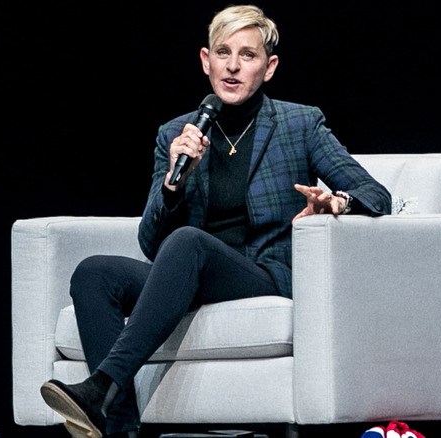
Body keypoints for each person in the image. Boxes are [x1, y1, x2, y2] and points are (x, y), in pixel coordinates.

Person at [40, 5, 391, 438]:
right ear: (206, 61)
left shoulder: (300, 124)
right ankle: (119, 426)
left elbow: (377, 194)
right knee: (94, 272)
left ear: (269, 66)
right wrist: (174, 185)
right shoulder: (177, 134)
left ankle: (100, 388)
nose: (233, 65)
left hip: (264, 272)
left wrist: (336, 202)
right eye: (223, 53)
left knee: (190, 241)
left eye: (248, 55)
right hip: (189, 270)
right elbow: (151, 243)